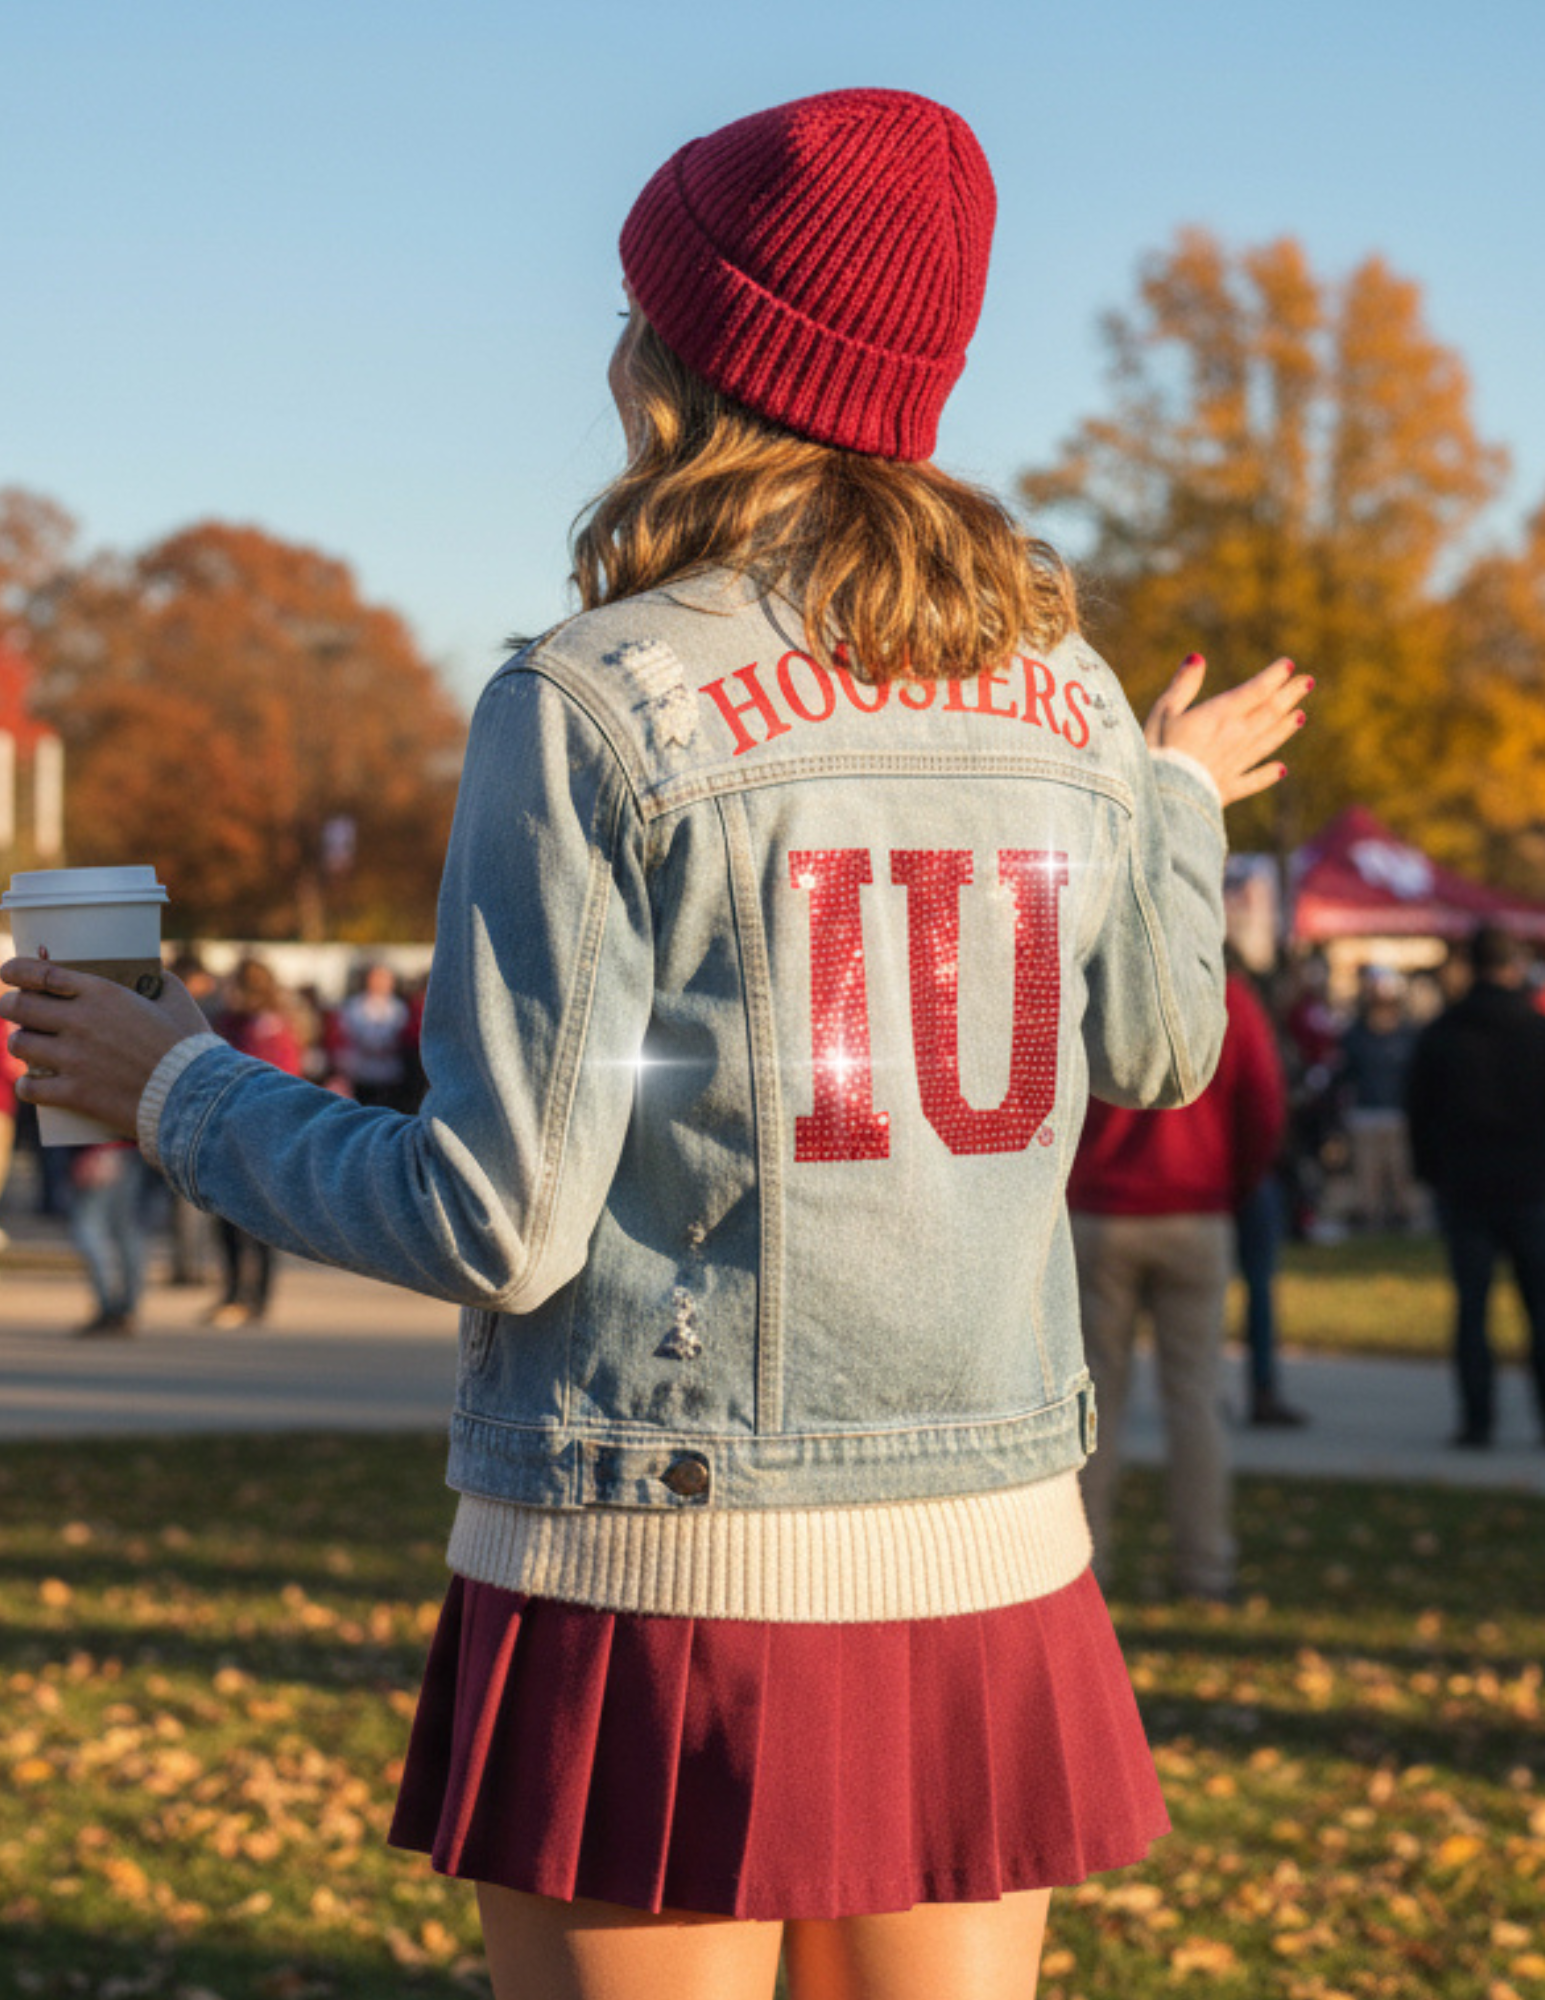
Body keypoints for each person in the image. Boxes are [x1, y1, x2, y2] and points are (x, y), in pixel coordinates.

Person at [0, 88, 1310, 2000]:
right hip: (995, 1534)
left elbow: (495, 1217)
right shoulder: (1068, 690)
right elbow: (1167, 1046)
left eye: (638, 310)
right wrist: (1173, 796)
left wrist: (178, 1088)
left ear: (682, 362)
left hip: (670, 1555)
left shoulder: (597, 695)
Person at [1069, 968, 1288, 1600]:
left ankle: (1087, 1565)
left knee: (1094, 1400)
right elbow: (1263, 1107)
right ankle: (1204, 1565)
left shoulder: (1094, 984)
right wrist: (1227, 1185)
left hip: (1103, 1208)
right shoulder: (1228, 998)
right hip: (1193, 1209)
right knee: (1196, 1397)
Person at [1407, 924, 1545, 1448]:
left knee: (1472, 1311)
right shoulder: (1534, 1032)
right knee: (1539, 1309)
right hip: (1531, 1186)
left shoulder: (1443, 1033)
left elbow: (1419, 1114)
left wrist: (1433, 1175)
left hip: (1466, 1188)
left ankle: (1477, 1418)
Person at [206, 957, 305, 1327]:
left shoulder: (270, 1028)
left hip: (261, 1135)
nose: (226, 992)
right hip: (228, 1133)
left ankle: (257, 1298)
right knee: (225, 1221)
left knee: (259, 1222)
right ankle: (234, 1293)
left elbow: (279, 1081)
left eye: (233, 985)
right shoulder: (231, 1023)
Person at [1338, 966, 1419, 1232]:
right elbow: (1345, 1072)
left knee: (1399, 1170)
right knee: (1366, 1172)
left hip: (1398, 1113)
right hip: (1366, 1114)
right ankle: (1369, 1215)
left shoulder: (1408, 1035)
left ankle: (1400, 1214)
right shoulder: (1355, 1035)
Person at [67, 1140, 152, 1336]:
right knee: (125, 1229)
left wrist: (102, 1149)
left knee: (89, 1230)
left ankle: (113, 1306)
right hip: (128, 1147)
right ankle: (125, 1308)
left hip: (107, 1147)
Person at [333, 962, 414, 1110]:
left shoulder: (399, 1008)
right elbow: (346, 1035)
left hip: (389, 1073)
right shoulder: (354, 1006)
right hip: (362, 1072)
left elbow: (402, 1036)